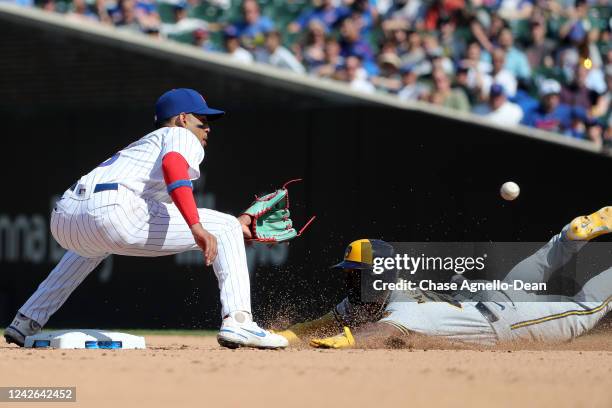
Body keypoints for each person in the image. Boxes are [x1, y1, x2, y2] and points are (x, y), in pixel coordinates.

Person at [4, 89, 288, 350]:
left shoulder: (143, 146)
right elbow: (173, 167)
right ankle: (239, 321)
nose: (208, 128)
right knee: (225, 225)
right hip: (114, 210)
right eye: (202, 121)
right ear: (182, 119)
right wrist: (196, 226)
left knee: (91, 248)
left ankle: (27, 320)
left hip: (64, 216)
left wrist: (228, 234)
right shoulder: (180, 136)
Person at [275, 207, 612, 348]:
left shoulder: (404, 308)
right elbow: (318, 325)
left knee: (587, 308)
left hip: (511, 321)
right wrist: (281, 338)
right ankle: (570, 235)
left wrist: (347, 340)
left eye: (355, 275)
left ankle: (572, 237)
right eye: (349, 275)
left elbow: (381, 332)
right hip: (487, 300)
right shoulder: (368, 298)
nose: (349, 282)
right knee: (541, 261)